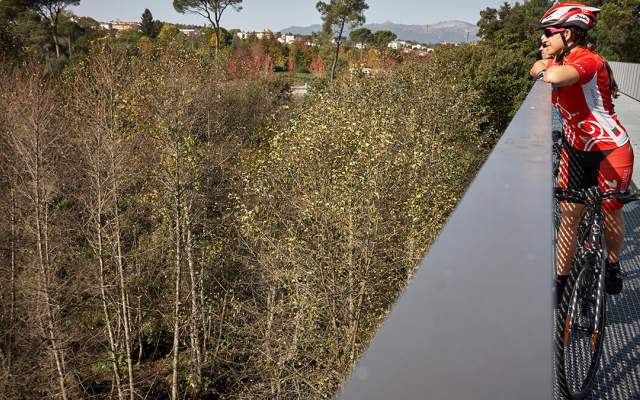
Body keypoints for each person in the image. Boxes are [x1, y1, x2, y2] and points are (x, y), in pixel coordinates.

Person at [529, 3, 634, 300]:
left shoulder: (589, 60)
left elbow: (553, 77)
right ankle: (561, 282)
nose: (543, 39)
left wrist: (543, 66)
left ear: (570, 34)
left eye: (549, 33)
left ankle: (613, 265)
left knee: (611, 213)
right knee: (569, 218)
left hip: (610, 151)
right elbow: (539, 69)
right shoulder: (561, 59)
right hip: (575, 149)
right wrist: (542, 65)